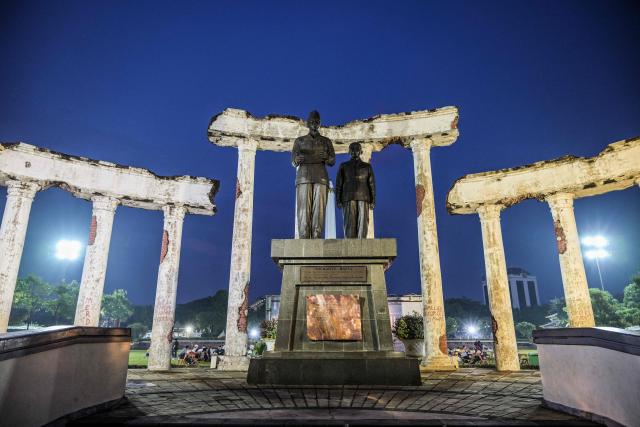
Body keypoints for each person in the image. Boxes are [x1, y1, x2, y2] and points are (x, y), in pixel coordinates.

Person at [292, 110, 335, 239]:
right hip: (304, 176)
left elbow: (332, 160)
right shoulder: (299, 141)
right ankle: (304, 237)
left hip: (321, 177)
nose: (314, 124)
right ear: (307, 124)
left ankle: (317, 237)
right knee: (303, 210)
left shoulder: (326, 141)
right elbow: (293, 161)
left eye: (317, 122)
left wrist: (327, 157)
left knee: (319, 210)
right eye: (312, 122)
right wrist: (296, 160)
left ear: (319, 124)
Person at [335, 142, 376, 238]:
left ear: (361, 151)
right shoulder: (343, 166)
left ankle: (362, 247)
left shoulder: (367, 166)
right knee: (349, 225)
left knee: (363, 225)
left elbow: (371, 185)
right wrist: (338, 199)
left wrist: (373, 200)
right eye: (352, 149)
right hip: (348, 198)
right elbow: (338, 184)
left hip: (364, 198)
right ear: (349, 152)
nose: (354, 151)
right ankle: (350, 248)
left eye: (357, 149)